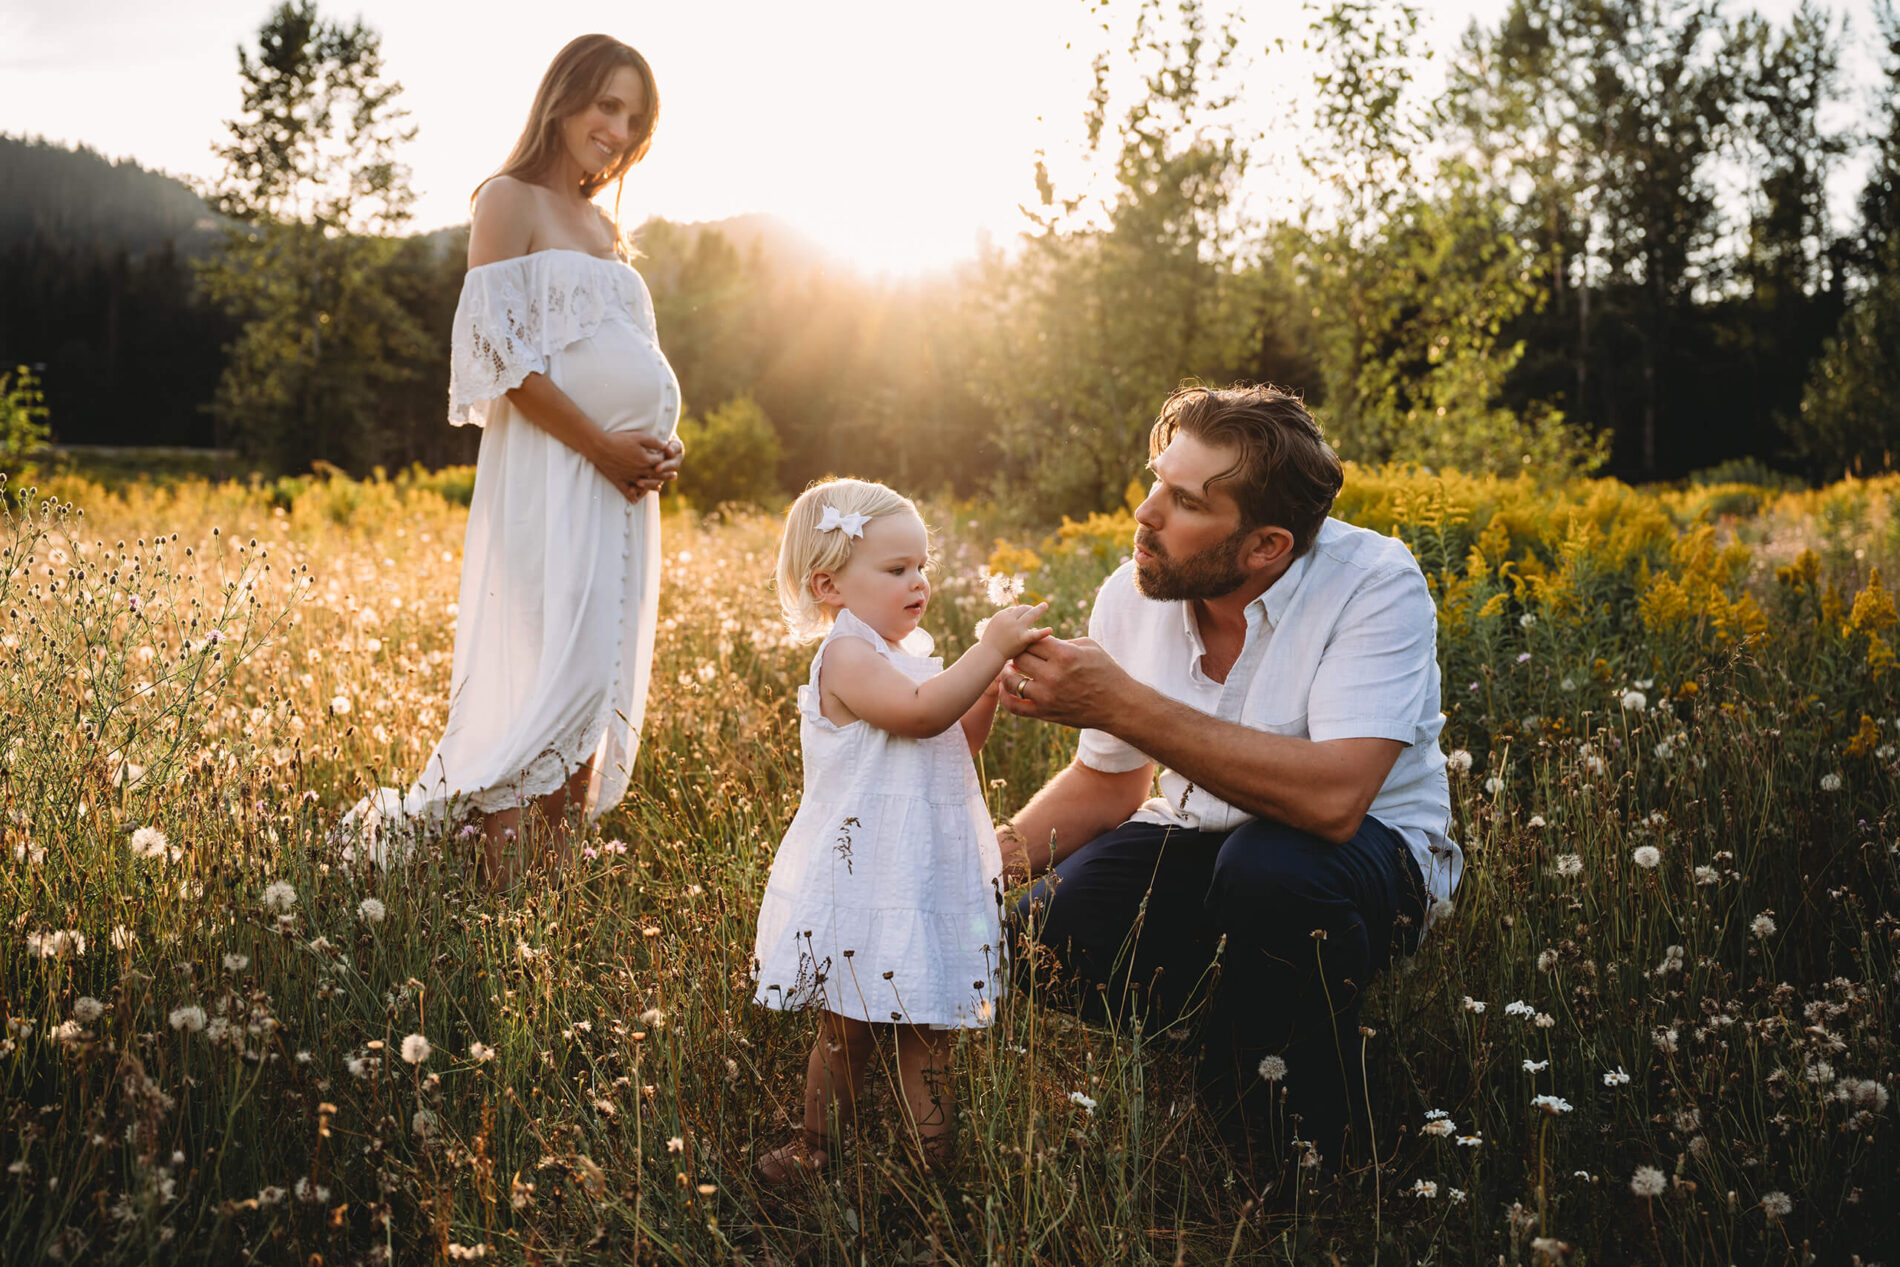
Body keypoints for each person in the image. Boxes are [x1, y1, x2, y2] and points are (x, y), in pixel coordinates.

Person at [996, 383, 1460, 1177]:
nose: (1145, 513)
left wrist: (1124, 703)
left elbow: (1336, 800)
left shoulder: (1374, 583)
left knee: (1268, 871)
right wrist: (971, 869)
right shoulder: (1133, 593)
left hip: (1367, 860)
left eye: (1182, 501)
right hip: (1195, 839)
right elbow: (1108, 786)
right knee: (1038, 934)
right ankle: (1234, 1016)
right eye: (1155, 479)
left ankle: (1310, 1146)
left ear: (1265, 546)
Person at [339, 35, 683, 884]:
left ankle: (549, 898)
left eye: (633, 117)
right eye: (607, 105)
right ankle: (503, 901)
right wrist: (604, 444)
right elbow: (499, 358)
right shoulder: (509, 199)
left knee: (592, 681)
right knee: (546, 679)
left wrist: (659, 442)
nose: (618, 128)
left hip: (619, 492)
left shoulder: (604, 226)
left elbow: (619, 350)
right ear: (562, 97)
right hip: (557, 475)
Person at [750, 478, 1052, 1180]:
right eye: (896, 570)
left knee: (930, 1033)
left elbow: (954, 738)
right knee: (846, 1029)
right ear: (828, 584)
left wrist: (987, 685)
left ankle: (932, 1170)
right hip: (864, 872)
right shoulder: (849, 656)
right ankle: (817, 1146)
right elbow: (918, 713)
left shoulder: (913, 656)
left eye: (922, 567)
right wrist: (985, 649)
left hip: (922, 870)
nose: (918, 581)